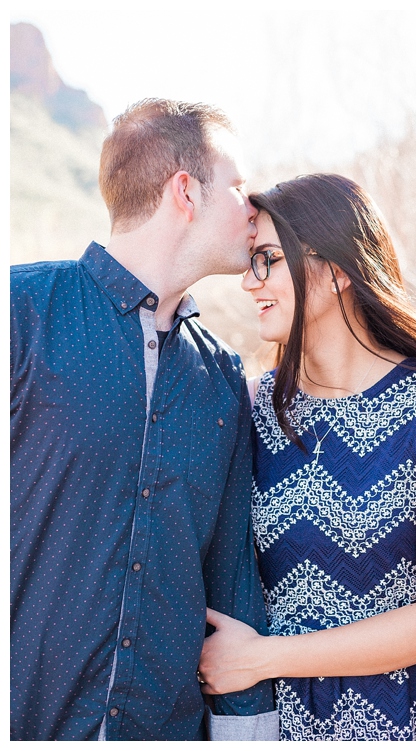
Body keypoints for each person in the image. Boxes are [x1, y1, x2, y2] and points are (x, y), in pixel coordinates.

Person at [10, 99, 277, 741]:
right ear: (185, 190)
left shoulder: (221, 381)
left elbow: (231, 577)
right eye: (237, 186)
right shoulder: (20, 313)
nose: (252, 206)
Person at [196, 174, 416, 740]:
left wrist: (265, 657)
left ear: (334, 271)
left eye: (266, 260)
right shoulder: (251, 408)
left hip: (409, 719)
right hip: (279, 724)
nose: (248, 283)